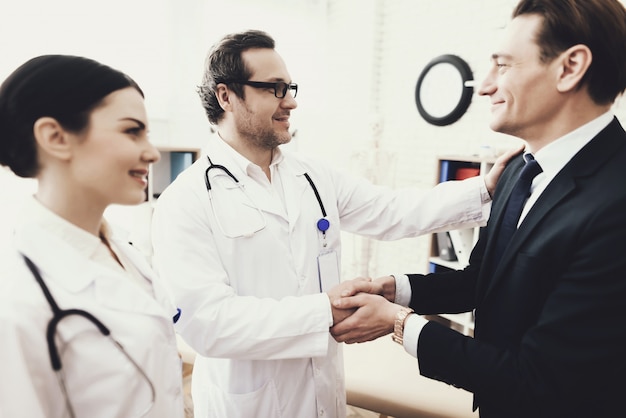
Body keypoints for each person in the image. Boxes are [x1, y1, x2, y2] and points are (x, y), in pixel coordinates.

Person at [150, 29, 517, 418]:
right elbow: (210, 324)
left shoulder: (312, 176)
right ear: (226, 96)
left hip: (324, 393)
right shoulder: (186, 201)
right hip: (250, 404)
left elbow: (392, 211)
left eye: (290, 87)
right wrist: (325, 310)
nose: (290, 101)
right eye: (274, 88)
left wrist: (485, 190)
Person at [331, 1, 626, 417]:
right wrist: (395, 289)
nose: (484, 87)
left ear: (570, 67)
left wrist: (399, 322)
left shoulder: (615, 205)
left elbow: (540, 380)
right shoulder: (517, 172)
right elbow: (482, 281)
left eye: (503, 66)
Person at [0, 55, 185, 418]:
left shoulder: (122, 249)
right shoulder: (16, 298)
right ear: (55, 137)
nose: (150, 152)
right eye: (132, 131)